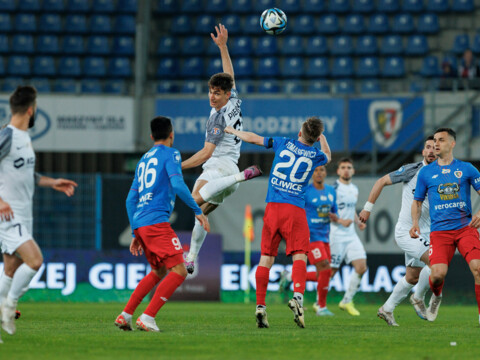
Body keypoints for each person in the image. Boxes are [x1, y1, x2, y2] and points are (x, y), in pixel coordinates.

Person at [225, 117, 331, 329]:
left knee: (266, 258)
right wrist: (322, 138)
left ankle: (260, 306)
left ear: (299, 133)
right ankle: (298, 298)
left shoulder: (283, 142)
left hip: (273, 208)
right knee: (300, 254)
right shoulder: (316, 155)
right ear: (316, 138)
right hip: (295, 209)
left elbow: (254, 139)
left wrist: (233, 131)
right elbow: (328, 155)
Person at [115, 116, 209, 332]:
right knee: (180, 270)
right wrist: (197, 211)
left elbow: (130, 199)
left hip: (140, 222)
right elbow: (177, 183)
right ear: (171, 135)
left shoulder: (143, 159)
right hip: (156, 222)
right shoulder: (171, 153)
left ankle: (126, 314)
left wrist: (134, 232)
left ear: (151, 136)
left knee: (158, 271)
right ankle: (147, 317)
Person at [181, 24, 262, 274]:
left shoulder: (218, 118)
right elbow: (230, 76)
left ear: (226, 95)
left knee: (192, 202)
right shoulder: (234, 100)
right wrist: (223, 47)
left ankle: (240, 176)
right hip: (227, 176)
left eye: (217, 93)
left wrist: (176, 165)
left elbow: (205, 154)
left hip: (219, 170)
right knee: (200, 214)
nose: (212, 97)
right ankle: (191, 256)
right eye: (210, 92)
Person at [0, 86, 78, 336]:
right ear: (31, 110)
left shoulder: (24, 138)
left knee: (10, 270)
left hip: (24, 214)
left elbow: (25, 175)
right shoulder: (8, 135)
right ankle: (8, 306)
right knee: (35, 261)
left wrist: (52, 182)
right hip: (8, 215)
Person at [359, 136, 437, 326]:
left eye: (435, 148)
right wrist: (367, 209)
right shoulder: (412, 170)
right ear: (423, 151)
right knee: (436, 262)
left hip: (427, 233)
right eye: (428, 147)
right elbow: (381, 182)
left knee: (412, 276)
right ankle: (418, 298)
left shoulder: (444, 174)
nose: (431, 151)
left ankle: (386, 309)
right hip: (407, 231)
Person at [410, 127, 480, 324]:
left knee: (478, 268)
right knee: (438, 275)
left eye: (441, 140)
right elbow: (416, 202)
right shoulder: (426, 173)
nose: (436, 144)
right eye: (434, 140)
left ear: (452, 143)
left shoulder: (467, 169)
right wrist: (415, 223)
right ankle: (437, 297)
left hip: (465, 229)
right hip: (440, 232)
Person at [280, 165, 351, 316]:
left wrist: (338, 219)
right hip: (309, 236)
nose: (319, 173)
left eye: (322, 170)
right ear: (311, 174)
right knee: (325, 267)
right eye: (316, 170)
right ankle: (321, 307)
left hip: (324, 235)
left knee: (325, 274)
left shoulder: (331, 191)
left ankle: (290, 277)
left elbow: (334, 212)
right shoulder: (305, 191)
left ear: (326, 173)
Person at [329, 158, 367, 316]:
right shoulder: (333, 189)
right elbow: (326, 211)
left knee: (361, 267)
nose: (346, 170)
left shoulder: (354, 189)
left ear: (353, 171)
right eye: (343, 167)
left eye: (349, 167)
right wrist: (340, 220)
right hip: (335, 234)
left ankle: (346, 301)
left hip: (351, 234)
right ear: (338, 171)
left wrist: (358, 221)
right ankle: (293, 280)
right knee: (330, 273)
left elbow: (351, 209)